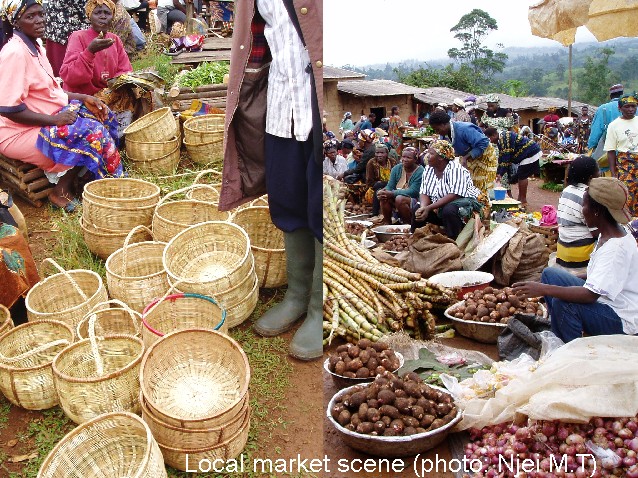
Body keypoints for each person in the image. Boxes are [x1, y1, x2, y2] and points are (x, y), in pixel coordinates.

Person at [219, 0, 322, 360]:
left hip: (316, 103)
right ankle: (296, 295)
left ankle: (319, 306)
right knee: (288, 197)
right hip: (280, 102)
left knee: (320, 205)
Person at [0, 0, 122, 210]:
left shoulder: (36, 47)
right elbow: (9, 109)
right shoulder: (15, 53)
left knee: (101, 114)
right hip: (16, 132)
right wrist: (55, 120)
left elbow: (52, 91)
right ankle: (61, 191)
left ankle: (89, 174)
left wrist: (84, 99)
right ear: (16, 22)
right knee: (91, 132)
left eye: (40, 14)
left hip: (43, 117)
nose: (39, 21)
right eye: (30, 17)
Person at [513, 177, 637, 343]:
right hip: (606, 299)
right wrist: (554, 284)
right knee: (551, 274)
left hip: (621, 319)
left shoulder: (615, 249)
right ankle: (560, 327)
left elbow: (590, 296)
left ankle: (569, 349)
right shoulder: (607, 232)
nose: (582, 210)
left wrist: (544, 289)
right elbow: (603, 276)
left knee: (563, 304)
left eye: (584, 205)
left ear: (597, 211)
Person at [60, 0, 132, 96]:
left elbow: (125, 70)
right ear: (89, 16)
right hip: (82, 98)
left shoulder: (115, 39)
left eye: (107, 13)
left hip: (108, 96)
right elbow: (69, 76)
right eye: (97, 13)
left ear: (113, 17)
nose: (103, 16)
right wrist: (90, 51)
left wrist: (110, 90)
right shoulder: (78, 37)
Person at [413, 140, 483, 239]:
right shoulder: (428, 169)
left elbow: (454, 195)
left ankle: (454, 239)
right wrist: (423, 207)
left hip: (465, 205)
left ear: (441, 157)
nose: (427, 156)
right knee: (417, 209)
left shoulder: (456, 169)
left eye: (431, 153)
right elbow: (424, 192)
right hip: (441, 206)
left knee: (449, 210)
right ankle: (416, 239)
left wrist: (429, 208)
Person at [429, 109, 498, 195]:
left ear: (444, 124)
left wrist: (465, 157)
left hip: (485, 156)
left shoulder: (464, 129)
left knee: (484, 186)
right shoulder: (444, 135)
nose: (437, 132)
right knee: (471, 185)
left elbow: (483, 142)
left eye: (437, 129)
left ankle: (487, 206)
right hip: (470, 158)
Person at [555, 156, 599, 271]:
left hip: (562, 250)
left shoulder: (566, 190)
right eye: (598, 172)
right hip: (581, 254)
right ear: (591, 177)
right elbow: (596, 232)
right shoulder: (588, 195)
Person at [485, 127, 542, 207]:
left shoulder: (504, 138)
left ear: (494, 135)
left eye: (489, 138)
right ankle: (520, 199)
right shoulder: (500, 139)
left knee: (522, 176)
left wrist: (500, 174)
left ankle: (523, 201)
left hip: (530, 153)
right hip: (527, 154)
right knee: (521, 175)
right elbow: (501, 157)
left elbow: (506, 158)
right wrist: (498, 172)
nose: (490, 141)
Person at [604, 93, 638, 217]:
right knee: (627, 197)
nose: (631, 109)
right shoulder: (614, 126)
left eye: (633, 106)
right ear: (620, 108)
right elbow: (611, 151)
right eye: (627, 106)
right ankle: (629, 227)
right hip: (626, 166)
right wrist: (614, 174)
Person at [377, 146, 423, 226]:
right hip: (398, 195)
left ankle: (408, 224)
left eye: (408, 157)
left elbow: (414, 192)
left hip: (416, 200)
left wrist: (392, 193)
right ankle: (387, 223)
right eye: (403, 157)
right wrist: (383, 191)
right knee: (384, 196)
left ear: (415, 160)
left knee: (400, 199)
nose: (404, 160)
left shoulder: (420, 171)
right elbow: (390, 186)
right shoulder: (397, 168)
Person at [588, 84, 624, 159]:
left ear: (610, 96)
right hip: (629, 153)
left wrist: (591, 148)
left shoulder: (603, 109)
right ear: (622, 94)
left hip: (607, 153)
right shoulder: (633, 108)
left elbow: (596, 132)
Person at [365, 143, 397, 219]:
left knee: (382, 187)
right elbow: (370, 182)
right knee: (379, 188)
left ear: (387, 154)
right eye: (377, 153)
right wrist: (383, 184)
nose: (379, 155)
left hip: (391, 187)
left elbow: (397, 178)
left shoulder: (392, 162)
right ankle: (375, 213)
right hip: (374, 188)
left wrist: (386, 185)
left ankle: (394, 214)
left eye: (382, 153)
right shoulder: (371, 163)